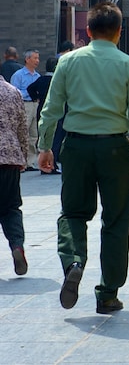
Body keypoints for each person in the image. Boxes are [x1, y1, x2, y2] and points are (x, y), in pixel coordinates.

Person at [37, 1, 129, 315]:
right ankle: (107, 294)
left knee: (73, 213)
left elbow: (51, 110)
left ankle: (74, 260)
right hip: (115, 148)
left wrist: (45, 146)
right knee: (115, 220)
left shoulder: (68, 62)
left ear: (87, 31)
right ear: (119, 33)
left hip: (75, 147)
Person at [0, 73, 29, 276]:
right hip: (10, 158)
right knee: (11, 207)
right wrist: (23, 158)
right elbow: (22, 128)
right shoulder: (13, 91)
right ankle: (17, 246)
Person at [26, 57, 62, 174]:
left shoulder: (41, 79)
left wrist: (35, 98)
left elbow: (30, 88)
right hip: (56, 111)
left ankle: (45, 160)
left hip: (41, 109)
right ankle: (52, 164)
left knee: (43, 134)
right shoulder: (57, 80)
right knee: (56, 139)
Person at [10, 49, 41, 171]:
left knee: (34, 134)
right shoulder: (18, 75)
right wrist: (29, 93)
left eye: (38, 58)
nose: (37, 61)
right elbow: (14, 92)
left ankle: (30, 162)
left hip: (35, 105)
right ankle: (20, 161)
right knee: (23, 133)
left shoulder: (38, 76)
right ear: (27, 59)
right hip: (24, 105)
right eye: (35, 58)